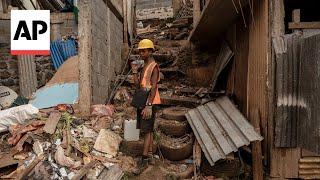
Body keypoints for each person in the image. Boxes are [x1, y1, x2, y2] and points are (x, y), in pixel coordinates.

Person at [131, 39, 161, 169]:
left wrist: (149, 105)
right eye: (140, 51)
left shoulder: (154, 66)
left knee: (147, 131)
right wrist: (134, 72)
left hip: (150, 101)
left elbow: (154, 87)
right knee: (146, 130)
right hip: (143, 100)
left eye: (144, 51)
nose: (141, 53)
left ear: (150, 51)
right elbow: (138, 85)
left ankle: (144, 159)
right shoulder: (144, 66)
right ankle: (149, 155)